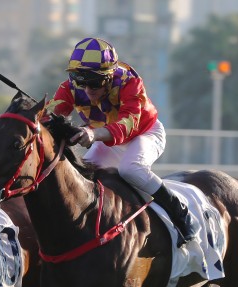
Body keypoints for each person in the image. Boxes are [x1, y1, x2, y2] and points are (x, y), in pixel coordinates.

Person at [45, 37, 197, 246]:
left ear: (109, 76)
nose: (87, 89)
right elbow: (50, 115)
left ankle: (179, 212)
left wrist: (93, 134)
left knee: (131, 169)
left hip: (145, 133)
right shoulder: (69, 88)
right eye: (81, 80)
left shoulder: (130, 82)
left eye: (95, 81)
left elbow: (128, 124)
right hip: (108, 140)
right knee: (83, 175)